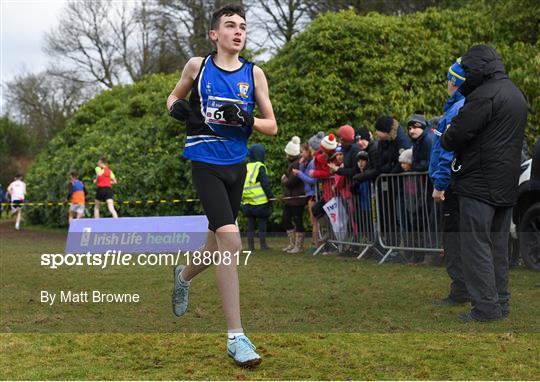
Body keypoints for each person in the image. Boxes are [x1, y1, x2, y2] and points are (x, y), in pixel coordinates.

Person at [166, 4, 277, 367]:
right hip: (205, 163)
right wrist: (176, 109)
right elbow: (173, 97)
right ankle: (236, 338)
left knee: (215, 247)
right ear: (215, 35)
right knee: (231, 240)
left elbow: (271, 125)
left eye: (243, 26)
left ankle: (182, 276)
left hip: (236, 166)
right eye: (230, 25)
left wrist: (246, 117)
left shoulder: (254, 73)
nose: (238, 31)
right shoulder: (197, 66)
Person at [441, 45, 528, 322]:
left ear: (478, 69)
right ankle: (500, 301)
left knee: (476, 245)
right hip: (506, 182)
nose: (464, 76)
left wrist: (445, 136)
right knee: (498, 246)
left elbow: (456, 135)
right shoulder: (516, 94)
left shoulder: (483, 96)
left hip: (479, 182)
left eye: (467, 70)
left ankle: (485, 308)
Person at [429, 58, 469, 305]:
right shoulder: (461, 106)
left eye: (449, 79)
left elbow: (447, 150)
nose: (446, 83)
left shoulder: (457, 110)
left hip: (452, 184)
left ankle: (460, 290)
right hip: (458, 182)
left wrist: (439, 184)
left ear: (455, 82)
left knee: (453, 237)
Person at [242, 144, 273, 251]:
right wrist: (270, 196)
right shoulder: (259, 166)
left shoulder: (247, 166)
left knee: (250, 224)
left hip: (247, 200)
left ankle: (250, 246)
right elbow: (265, 183)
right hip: (260, 200)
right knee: (262, 223)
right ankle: (263, 245)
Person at [281, 136, 306, 254]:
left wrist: (284, 180)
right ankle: (292, 243)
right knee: (286, 219)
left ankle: (298, 245)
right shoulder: (293, 163)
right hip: (290, 198)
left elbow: (292, 181)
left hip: (296, 198)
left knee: (298, 220)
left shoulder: (296, 164)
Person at [292, 142, 318, 253]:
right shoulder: (307, 163)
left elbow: (312, 180)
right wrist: (301, 167)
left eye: (302, 152)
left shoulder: (312, 163)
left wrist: (299, 173)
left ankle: (315, 244)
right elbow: (305, 177)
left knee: (314, 221)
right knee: (313, 221)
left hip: (313, 194)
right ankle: (315, 243)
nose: (300, 154)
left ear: (308, 152)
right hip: (309, 194)